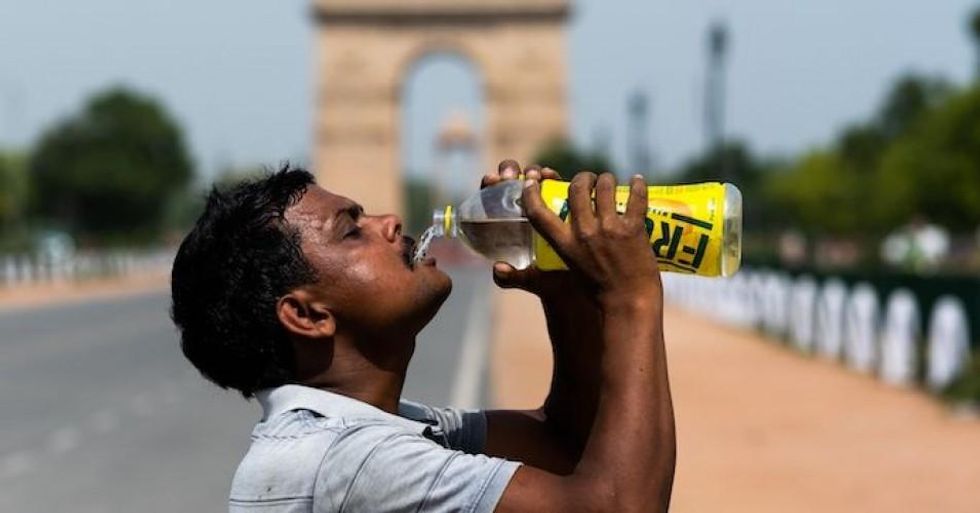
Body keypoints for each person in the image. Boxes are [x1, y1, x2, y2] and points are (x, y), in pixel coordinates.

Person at [170, 160, 676, 512]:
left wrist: (564, 295)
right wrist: (630, 300)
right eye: (352, 231)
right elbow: (617, 506)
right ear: (307, 315)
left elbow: (563, 444)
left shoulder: (367, 432)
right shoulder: (346, 461)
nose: (390, 222)